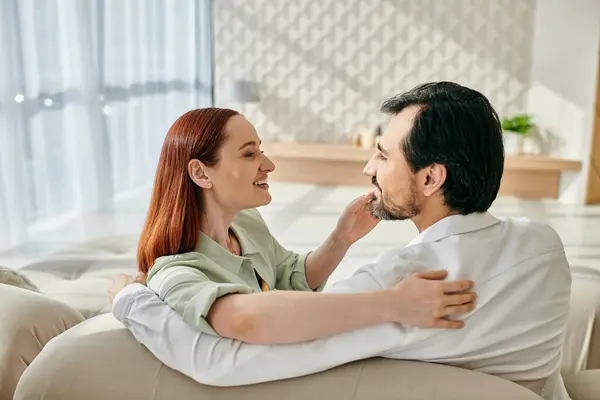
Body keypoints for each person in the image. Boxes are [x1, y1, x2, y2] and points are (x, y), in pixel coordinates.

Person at [110, 82, 572, 400]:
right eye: (251, 154)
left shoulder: (402, 283)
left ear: (431, 177)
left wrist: (129, 299)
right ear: (199, 173)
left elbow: (226, 358)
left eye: (383, 154)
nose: (368, 168)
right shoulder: (545, 246)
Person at [108, 106, 477, 345]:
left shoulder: (247, 223)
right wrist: (392, 305)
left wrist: (342, 238)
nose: (268, 164)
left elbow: (291, 276)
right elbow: (243, 319)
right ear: (200, 172)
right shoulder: (175, 269)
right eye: (249, 153)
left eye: (261, 150)